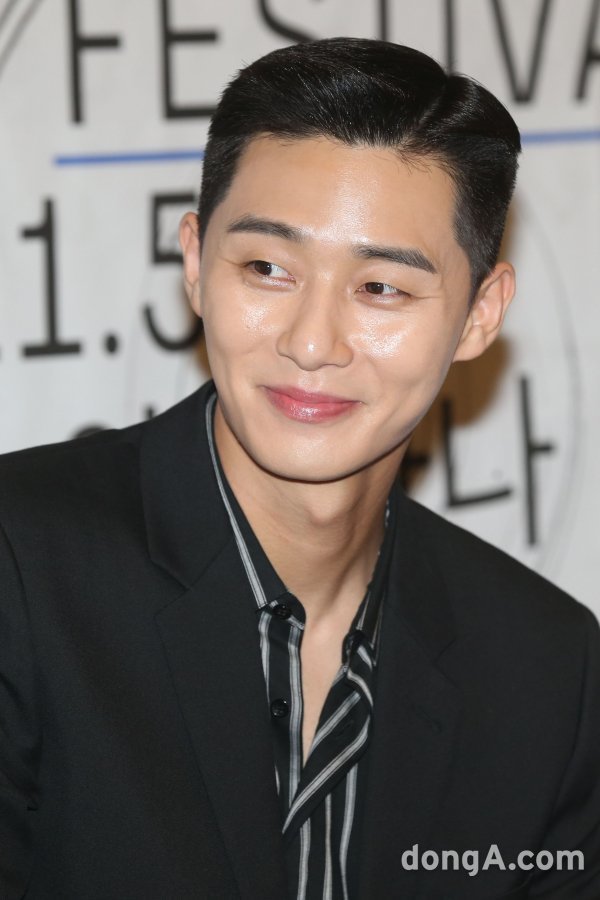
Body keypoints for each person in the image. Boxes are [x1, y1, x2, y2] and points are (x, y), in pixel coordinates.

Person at [0, 37, 598, 900]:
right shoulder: (23, 570)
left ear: (480, 313)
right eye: (267, 268)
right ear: (195, 263)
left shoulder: (545, 669)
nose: (312, 343)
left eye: (382, 288)